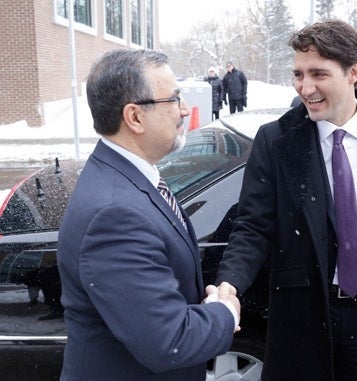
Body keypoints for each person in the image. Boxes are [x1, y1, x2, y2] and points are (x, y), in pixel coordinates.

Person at [216, 19, 357, 381]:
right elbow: (253, 226)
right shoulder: (277, 140)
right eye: (298, 74)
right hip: (305, 313)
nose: (305, 87)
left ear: (353, 72)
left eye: (318, 74)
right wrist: (230, 282)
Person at [57, 49, 240, 381]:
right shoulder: (115, 214)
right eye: (173, 99)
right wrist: (223, 312)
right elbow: (168, 341)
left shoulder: (128, 176)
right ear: (135, 117)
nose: (184, 110)